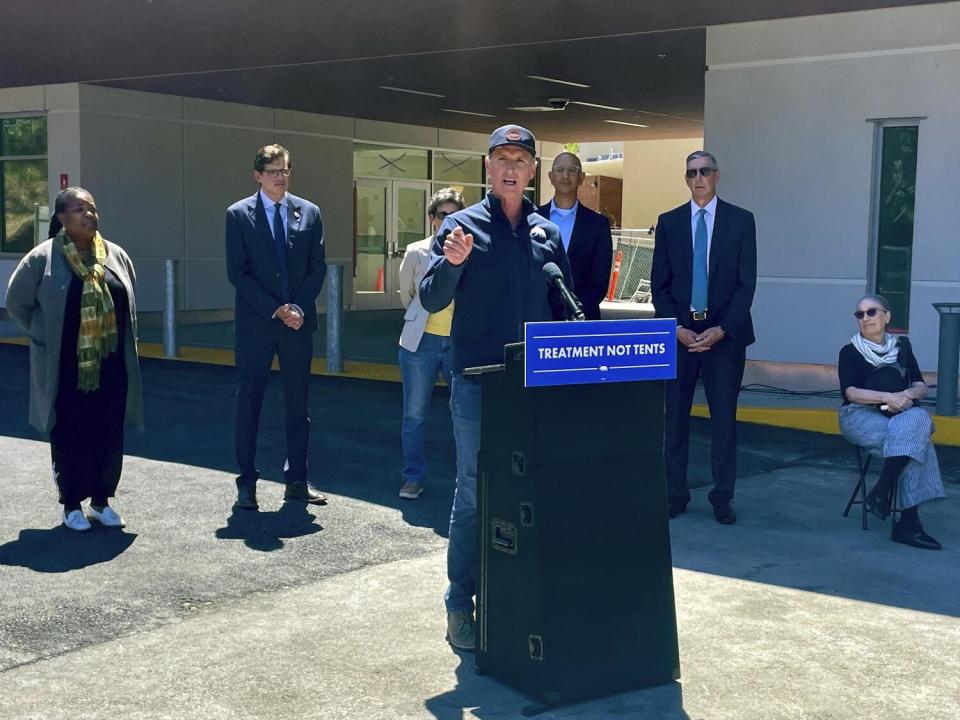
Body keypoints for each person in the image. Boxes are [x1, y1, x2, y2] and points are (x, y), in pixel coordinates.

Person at [419, 124, 572, 651]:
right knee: (474, 494)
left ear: (534, 170)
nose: (511, 167)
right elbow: (432, 297)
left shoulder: (545, 232)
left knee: (533, 491)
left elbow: (562, 305)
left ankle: (523, 597)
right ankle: (460, 603)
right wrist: (452, 265)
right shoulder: (461, 228)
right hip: (478, 385)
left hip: (534, 385)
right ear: (488, 167)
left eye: (520, 159)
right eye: (501, 157)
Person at [6, 187, 143, 531]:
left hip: (111, 366)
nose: (90, 215)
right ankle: (71, 504)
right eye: (80, 209)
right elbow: (16, 302)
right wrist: (42, 333)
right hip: (66, 367)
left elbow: (128, 301)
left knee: (108, 431)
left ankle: (101, 500)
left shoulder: (115, 255)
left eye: (93, 209)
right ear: (62, 218)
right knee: (69, 432)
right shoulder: (43, 258)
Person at [651, 151, 757, 524]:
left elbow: (747, 285)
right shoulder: (669, 222)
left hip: (724, 338)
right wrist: (675, 329)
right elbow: (659, 286)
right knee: (674, 420)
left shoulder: (741, 221)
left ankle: (722, 497)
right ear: (686, 178)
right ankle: (674, 495)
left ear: (717, 175)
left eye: (705, 171)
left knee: (723, 421)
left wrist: (722, 328)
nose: (699, 178)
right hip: (679, 335)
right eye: (692, 173)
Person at [225, 144, 327, 511]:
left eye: (285, 171)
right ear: (257, 176)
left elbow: (318, 267)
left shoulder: (309, 213)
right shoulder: (238, 215)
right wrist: (276, 309)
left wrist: (297, 307)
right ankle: (247, 483)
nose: (280, 177)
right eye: (273, 171)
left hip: (298, 324)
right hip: (257, 323)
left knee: (298, 406)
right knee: (249, 402)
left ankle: (297, 480)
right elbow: (237, 272)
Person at [838, 294, 944, 550]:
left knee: (915, 422)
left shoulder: (902, 348)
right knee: (918, 438)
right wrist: (887, 396)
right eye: (860, 314)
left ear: (887, 316)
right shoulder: (850, 352)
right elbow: (851, 392)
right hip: (859, 415)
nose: (865, 318)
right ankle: (908, 523)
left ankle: (881, 491)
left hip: (900, 414)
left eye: (871, 312)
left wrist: (905, 395)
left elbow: (920, 386)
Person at [397, 187, 466, 500]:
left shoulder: (472, 250)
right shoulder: (416, 251)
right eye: (442, 215)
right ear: (432, 219)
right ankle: (414, 477)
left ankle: (466, 480)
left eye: (455, 215)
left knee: (465, 413)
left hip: (460, 342)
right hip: (421, 342)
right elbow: (407, 295)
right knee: (415, 414)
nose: (448, 220)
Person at [537, 152, 613, 320]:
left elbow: (599, 281)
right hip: (539, 319)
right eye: (560, 170)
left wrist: (574, 311)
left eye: (572, 170)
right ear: (550, 177)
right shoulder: (532, 219)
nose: (565, 175)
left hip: (582, 321)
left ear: (581, 177)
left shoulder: (598, 225)